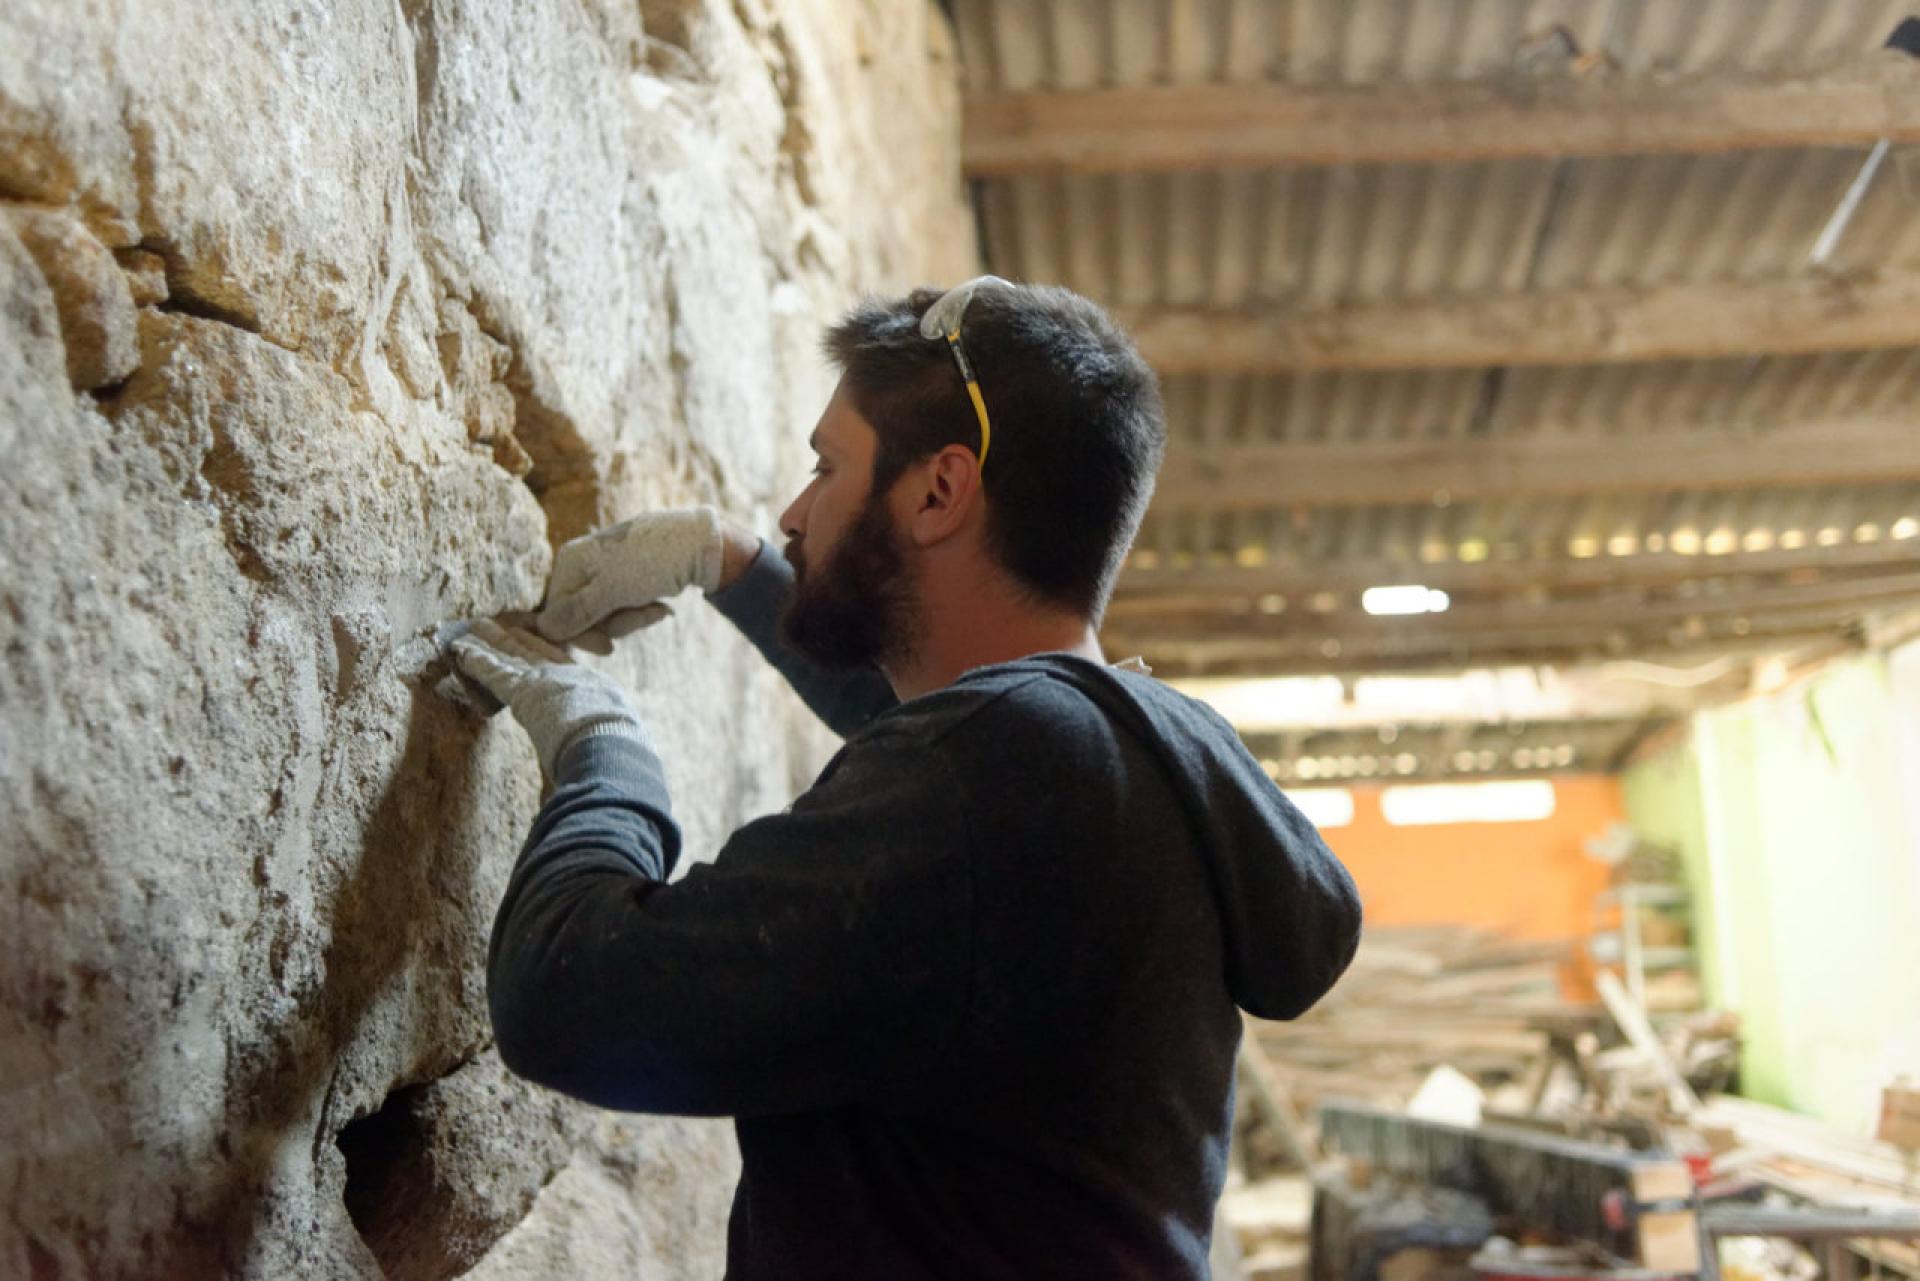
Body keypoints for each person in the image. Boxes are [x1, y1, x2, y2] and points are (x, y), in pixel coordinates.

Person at [443, 279, 1362, 1280]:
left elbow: (566, 997)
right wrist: (733, 564)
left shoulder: (999, 770)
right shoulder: (1135, 752)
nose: (796, 511)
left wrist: (599, 742)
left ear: (938, 492)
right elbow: (925, 728)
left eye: (827, 467)